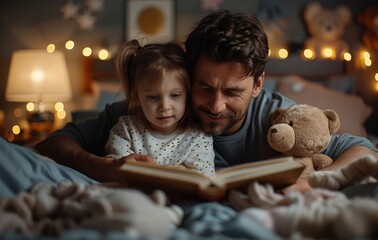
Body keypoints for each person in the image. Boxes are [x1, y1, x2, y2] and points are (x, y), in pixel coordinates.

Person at [35, 10, 377, 193]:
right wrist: (104, 167)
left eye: (232, 92)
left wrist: (315, 182)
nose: (215, 106)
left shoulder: (281, 116)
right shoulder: (154, 105)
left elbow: (363, 149)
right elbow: (56, 143)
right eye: (203, 87)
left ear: (257, 84)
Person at [105, 39, 215, 176]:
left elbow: (205, 178)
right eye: (153, 97)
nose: (164, 106)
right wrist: (179, 170)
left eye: (175, 95)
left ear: (188, 93)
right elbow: (114, 170)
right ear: (136, 97)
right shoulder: (126, 130)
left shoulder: (198, 136)